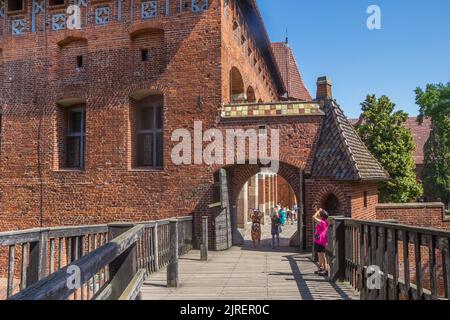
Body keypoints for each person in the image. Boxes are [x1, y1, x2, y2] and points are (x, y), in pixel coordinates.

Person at [313, 208, 329, 276]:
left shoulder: (322, 222)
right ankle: (321, 268)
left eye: (320, 214)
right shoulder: (322, 221)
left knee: (323, 255)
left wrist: (318, 211)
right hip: (318, 240)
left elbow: (313, 217)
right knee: (320, 255)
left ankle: (326, 270)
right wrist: (317, 211)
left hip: (321, 241)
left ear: (322, 216)